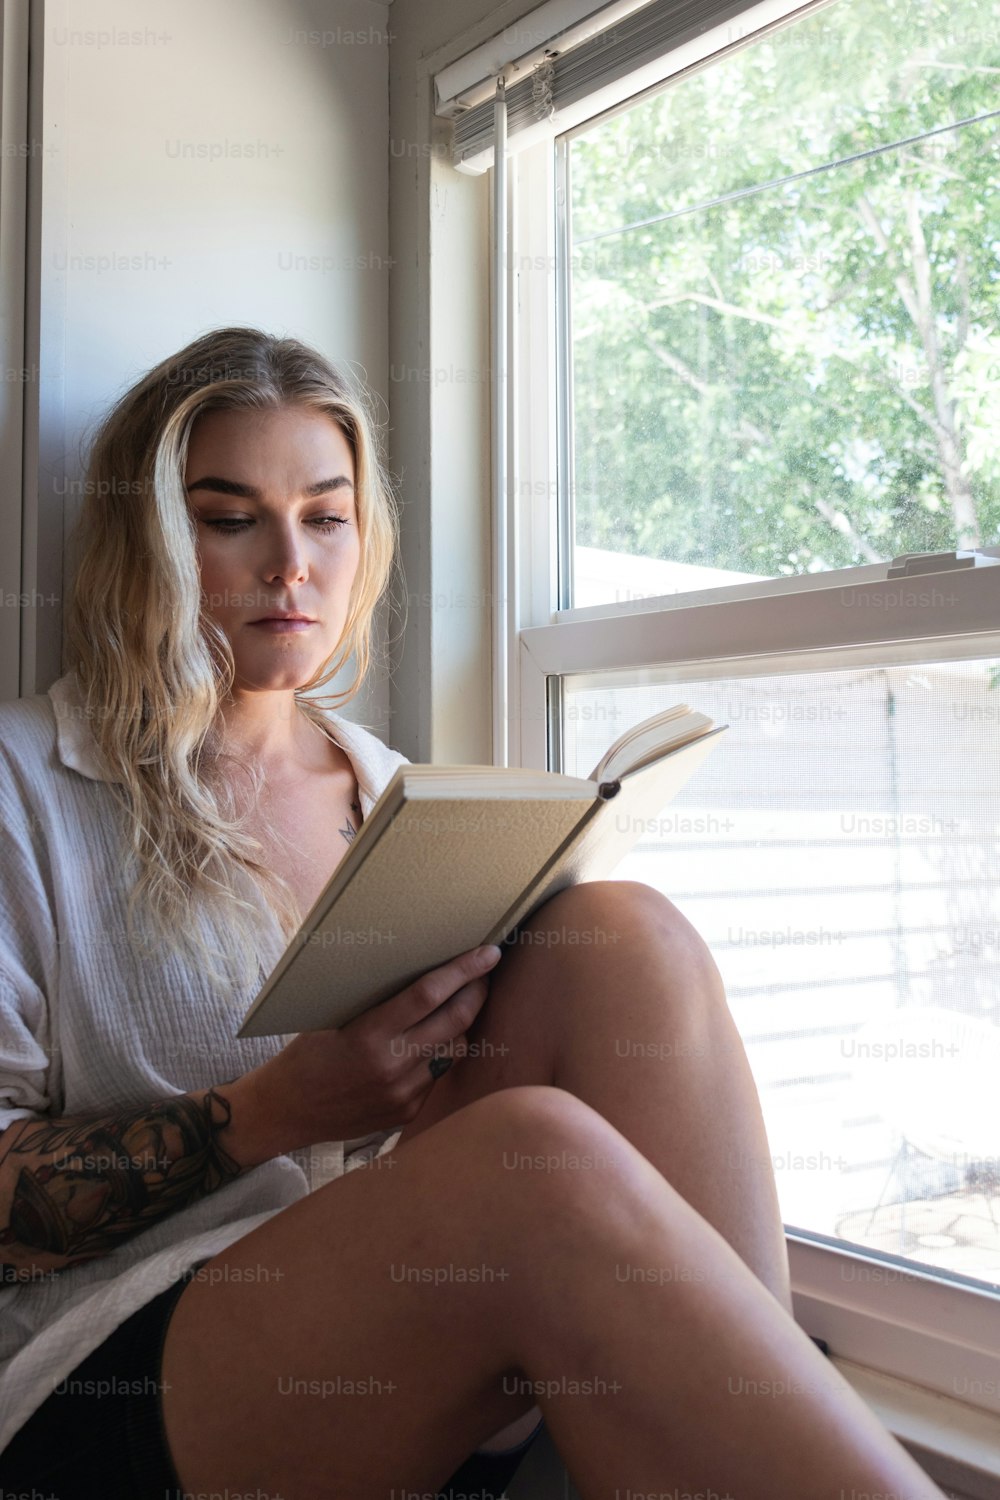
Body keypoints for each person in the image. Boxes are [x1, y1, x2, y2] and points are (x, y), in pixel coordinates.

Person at [0, 327, 944, 1500]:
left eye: (326, 516)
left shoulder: (402, 796)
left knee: (624, 938)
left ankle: (735, 1407)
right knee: (529, 1160)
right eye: (229, 517)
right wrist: (269, 1112)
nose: (292, 564)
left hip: (403, 1325)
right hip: (110, 1377)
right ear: (145, 537)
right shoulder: (22, 789)